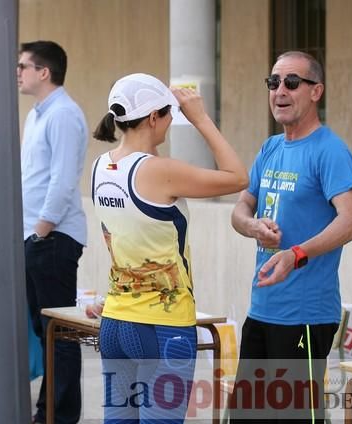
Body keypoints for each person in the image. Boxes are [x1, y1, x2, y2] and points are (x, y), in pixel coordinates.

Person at [91, 73, 248, 422]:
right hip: (163, 327)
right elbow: (238, 177)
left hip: (116, 321)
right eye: (167, 116)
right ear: (152, 118)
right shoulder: (161, 171)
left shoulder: (101, 166)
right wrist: (201, 118)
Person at [229, 51, 352, 423]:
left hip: (305, 316)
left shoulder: (329, 150)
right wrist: (252, 225)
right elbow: (240, 209)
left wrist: (296, 254)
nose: (280, 91)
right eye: (274, 83)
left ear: (316, 91)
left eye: (292, 82)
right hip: (262, 310)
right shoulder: (271, 148)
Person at [18, 40, 88, 424]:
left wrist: (41, 231)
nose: (18, 73)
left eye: (23, 66)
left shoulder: (63, 114)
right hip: (35, 237)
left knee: (58, 333)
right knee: (45, 330)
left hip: (53, 239)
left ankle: (59, 416)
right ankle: (48, 413)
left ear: (44, 72)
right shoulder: (37, 115)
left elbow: (63, 180)